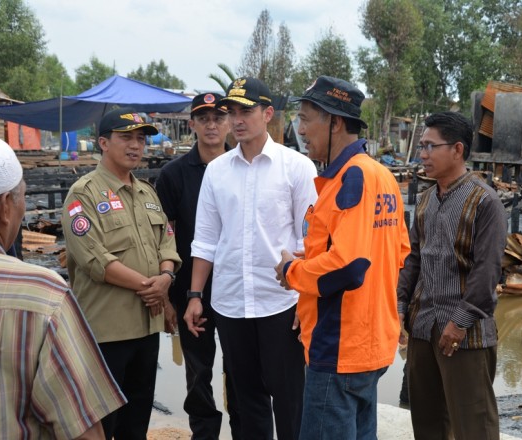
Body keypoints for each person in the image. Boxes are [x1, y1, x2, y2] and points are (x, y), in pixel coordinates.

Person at [274, 75, 411, 439]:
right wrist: (313, 259)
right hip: (372, 342)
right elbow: (394, 252)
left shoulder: (352, 179)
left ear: (335, 122)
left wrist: (292, 271)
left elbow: (349, 267)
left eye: (305, 118)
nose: (299, 129)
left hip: (339, 348)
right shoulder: (381, 176)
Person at [184, 77, 317, 440]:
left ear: (268, 113)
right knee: (247, 398)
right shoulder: (217, 171)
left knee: (289, 398)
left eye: (246, 111)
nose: (237, 119)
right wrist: (195, 296)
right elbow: (206, 239)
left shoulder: (297, 167)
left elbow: (312, 241)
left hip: (282, 302)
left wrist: (306, 301)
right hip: (230, 303)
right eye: (232, 112)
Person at [61, 108, 182, 439]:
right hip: (107, 332)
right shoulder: (83, 194)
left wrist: (166, 278)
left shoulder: (147, 192)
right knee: (103, 423)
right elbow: (94, 260)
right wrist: (153, 286)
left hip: (146, 326)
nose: (136, 146)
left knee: (137, 417)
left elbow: (167, 245)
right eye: (126, 137)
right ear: (103, 142)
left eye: (141, 139)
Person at [0, 138, 126, 439]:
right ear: (5, 206)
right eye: (23, 197)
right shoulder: (42, 294)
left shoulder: (142, 191)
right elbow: (81, 426)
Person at [396, 112, 507, 440]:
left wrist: (459, 323)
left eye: (430, 147)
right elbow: (413, 258)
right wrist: (401, 304)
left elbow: (487, 272)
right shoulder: (426, 200)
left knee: (475, 426)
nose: (423, 154)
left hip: (464, 335)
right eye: (421, 147)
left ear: (457, 150)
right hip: (423, 327)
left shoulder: (484, 202)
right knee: (428, 423)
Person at [156, 93, 240, 439]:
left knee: (240, 369)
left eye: (219, 117)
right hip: (192, 291)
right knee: (198, 370)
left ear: (229, 122)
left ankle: (244, 428)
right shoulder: (174, 175)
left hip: (236, 289)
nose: (211, 125)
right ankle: (204, 432)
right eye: (203, 118)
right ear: (191, 124)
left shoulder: (243, 167)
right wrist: (166, 297)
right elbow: (161, 236)